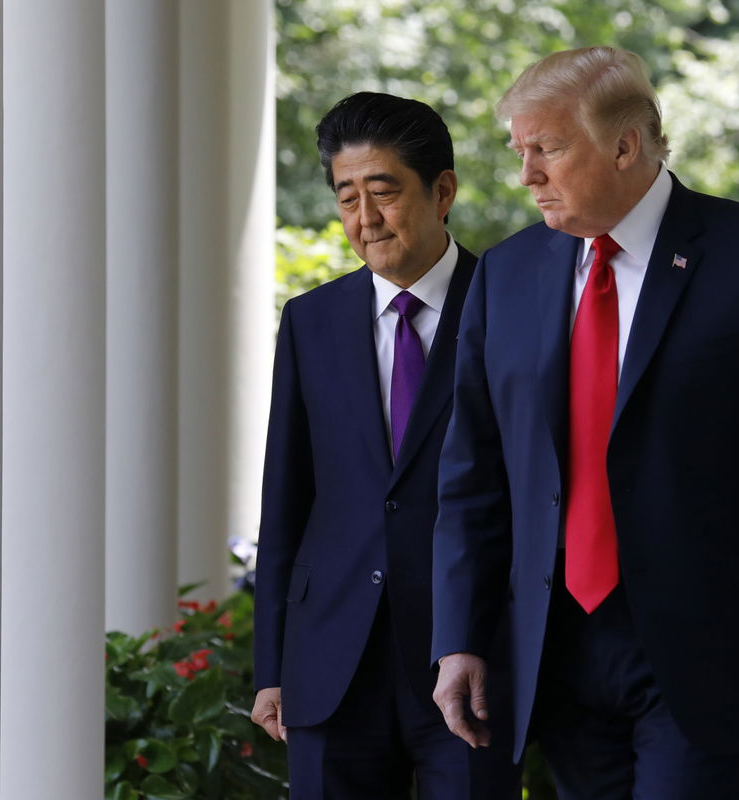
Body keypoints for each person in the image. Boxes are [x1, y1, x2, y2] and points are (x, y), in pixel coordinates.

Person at [430, 47, 739, 800]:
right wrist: (458, 640)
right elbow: (471, 472)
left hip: (714, 653)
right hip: (557, 651)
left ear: (624, 144)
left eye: (547, 149)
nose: (526, 175)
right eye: (520, 151)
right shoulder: (505, 275)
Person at [252, 92, 519, 800]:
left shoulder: (512, 305)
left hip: (470, 659)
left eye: (383, 193)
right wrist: (272, 666)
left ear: (443, 191)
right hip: (331, 660)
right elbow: (287, 498)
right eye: (346, 199)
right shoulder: (311, 321)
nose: (364, 220)